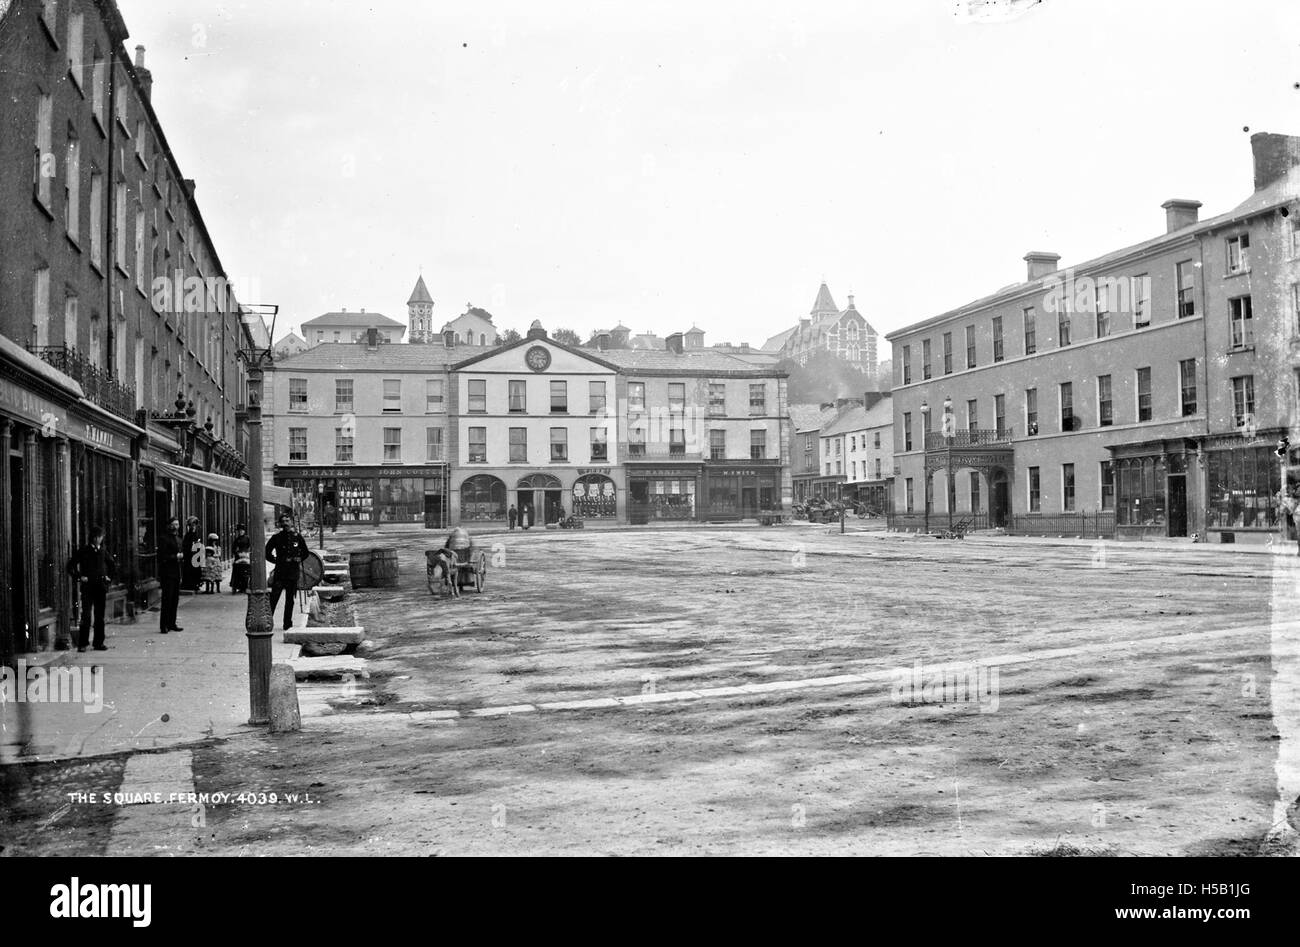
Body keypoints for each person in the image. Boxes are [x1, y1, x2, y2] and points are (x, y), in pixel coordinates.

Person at [67, 526, 117, 652]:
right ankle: (83, 643)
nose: (101, 539)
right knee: (87, 615)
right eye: (100, 537)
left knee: (99, 616)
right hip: (88, 587)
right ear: (95, 537)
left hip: (100, 587)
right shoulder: (84, 551)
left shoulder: (103, 551)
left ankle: (98, 642)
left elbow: (112, 564)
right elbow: (71, 566)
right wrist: (79, 577)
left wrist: (109, 578)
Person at [266, 514, 311, 630]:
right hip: (280, 573)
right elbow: (267, 552)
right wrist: (277, 561)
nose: (285, 523)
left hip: (292, 573)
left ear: (291, 522)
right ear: (280, 524)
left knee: (290, 600)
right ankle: (267, 623)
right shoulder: (276, 538)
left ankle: (287, 624)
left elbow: (305, 552)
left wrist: (299, 558)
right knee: (274, 598)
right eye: (283, 521)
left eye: (287, 520)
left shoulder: (297, 537)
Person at [157, 517, 184, 633]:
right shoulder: (164, 539)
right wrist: (175, 557)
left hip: (177, 572)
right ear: (169, 526)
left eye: (177, 524)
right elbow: (162, 557)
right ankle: (164, 625)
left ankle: (172, 623)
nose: (176, 527)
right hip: (167, 573)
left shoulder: (178, 539)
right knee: (167, 599)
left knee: (174, 599)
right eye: (174, 525)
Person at [181, 516, 203, 593]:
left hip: (196, 555)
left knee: (195, 570)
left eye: (195, 525)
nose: (194, 527)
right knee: (190, 570)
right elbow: (186, 546)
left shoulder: (195, 534)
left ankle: (195, 584)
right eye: (192, 525)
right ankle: (190, 584)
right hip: (190, 556)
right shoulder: (188, 535)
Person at [230, 524, 252, 594]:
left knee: (246, 571)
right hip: (238, 556)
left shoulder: (247, 538)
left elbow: (250, 546)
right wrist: (236, 552)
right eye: (239, 531)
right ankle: (237, 586)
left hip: (246, 555)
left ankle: (244, 586)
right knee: (237, 571)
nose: (240, 532)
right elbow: (233, 548)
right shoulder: (237, 539)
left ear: (244, 531)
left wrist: (248, 552)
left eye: (242, 530)